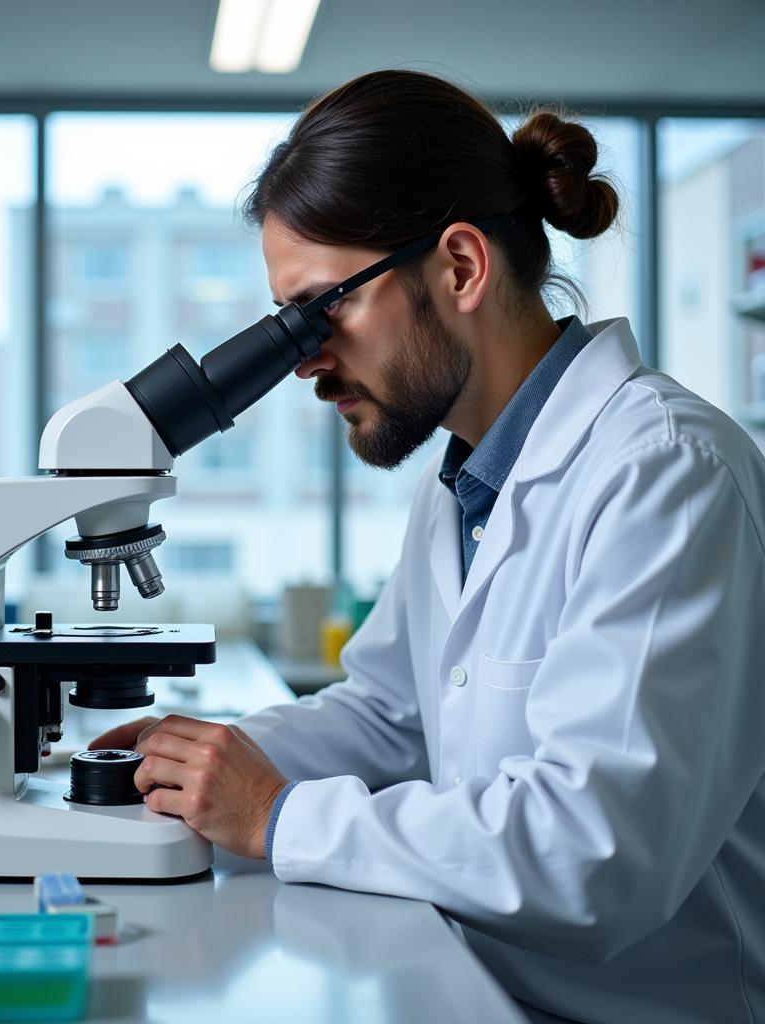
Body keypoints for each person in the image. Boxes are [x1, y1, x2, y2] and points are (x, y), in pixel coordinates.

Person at [91, 69, 765, 1023]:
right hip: (481, 992)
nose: (304, 360)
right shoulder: (463, 479)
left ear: (458, 267)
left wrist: (276, 815)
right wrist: (210, 760)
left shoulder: (666, 471)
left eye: (322, 309)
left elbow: (597, 854)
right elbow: (390, 719)